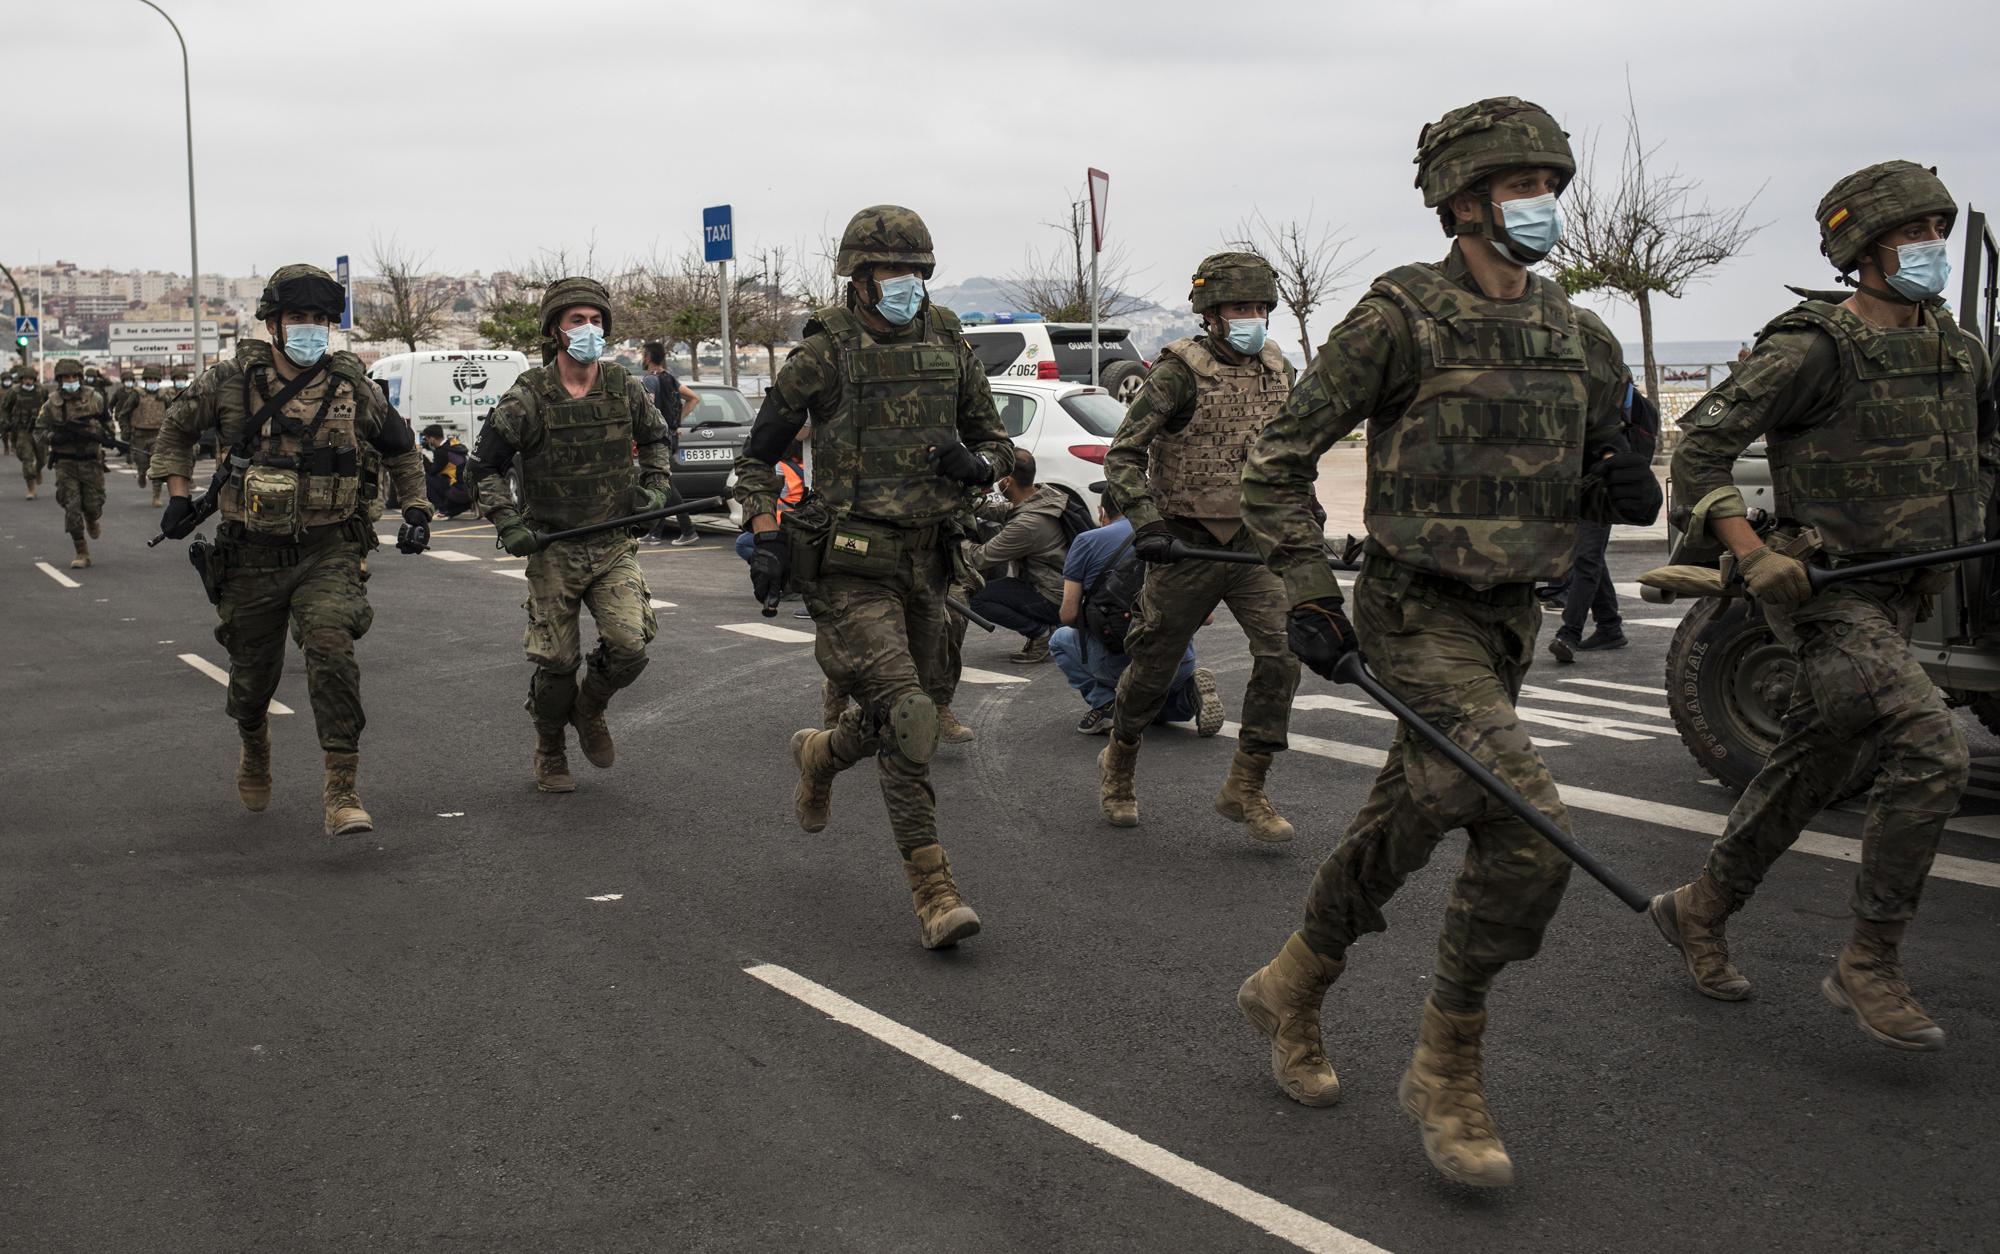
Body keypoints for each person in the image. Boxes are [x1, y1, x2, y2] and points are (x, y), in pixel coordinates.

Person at [1233, 97, 1660, 1189]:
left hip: (1512, 618)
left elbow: (1611, 442)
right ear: (1463, 200)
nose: (1544, 208)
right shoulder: (1396, 319)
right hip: (1413, 612)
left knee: (1411, 815)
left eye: (1551, 189)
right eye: (1523, 189)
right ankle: (1446, 1067)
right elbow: (1276, 462)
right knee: (1525, 824)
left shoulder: (1577, 328)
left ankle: (1292, 981)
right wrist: (1303, 593)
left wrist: (1619, 474)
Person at [1650, 160, 1997, 1052]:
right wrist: (1753, 555)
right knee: (1931, 749)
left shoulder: (1960, 349)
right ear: (1862, 248)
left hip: (1909, 593)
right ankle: (1869, 962)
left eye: (1936, 233)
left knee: (1810, 764)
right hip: (1826, 594)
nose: (1929, 250)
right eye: (1909, 235)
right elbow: (1701, 452)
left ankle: (1700, 908)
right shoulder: (1813, 348)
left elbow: (1985, 441)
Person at [733, 203, 1013, 951]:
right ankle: (935, 892)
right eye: (890, 272)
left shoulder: (949, 338)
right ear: (858, 278)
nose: (905, 284)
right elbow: (756, 457)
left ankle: (822, 753)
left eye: (915, 272)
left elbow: (997, 440)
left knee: (903, 716)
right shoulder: (825, 355)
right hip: (852, 566)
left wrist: (983, 465)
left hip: (931, 557)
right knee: (911, 718)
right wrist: (764, 533)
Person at [151, 263, 435, 835]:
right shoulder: (230, 381)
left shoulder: (352, 386)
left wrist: (417, 511)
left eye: (320, 320)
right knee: (253, 681)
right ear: (274, 325)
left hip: (328, 550)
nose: (310, 329)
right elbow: (176, 429)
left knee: (331, 647)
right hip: (250, 555)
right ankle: (254, 740)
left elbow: (402, 448)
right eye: (298, 318)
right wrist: (179, 494)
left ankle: (342, 791)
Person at [1097, 251, 1299, 843]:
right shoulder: (1177, 374)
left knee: (1285, 656)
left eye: (1261, 307)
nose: (1253, 317)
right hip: (1184, 544)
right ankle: (1120, 761)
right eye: (1240, 307)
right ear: (1211, 314)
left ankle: (1247, 784)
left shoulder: (1275, 366)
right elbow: (1123, 455)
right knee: (1155, 668)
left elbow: (1284, 450)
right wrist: (1146, 524)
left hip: (1254, 544)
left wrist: (1301, 505)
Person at [469, 277, 675, 794]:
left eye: (596, 320)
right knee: (557, 662)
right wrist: (508, 521)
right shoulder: (527, 397)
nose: (589, 329)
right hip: (553, 548)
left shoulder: (624, 386)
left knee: (630, 645)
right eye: (576, 320)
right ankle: (550, 746)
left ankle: (590, 709)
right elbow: (483, 467)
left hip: (611, 545)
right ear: (555, 330)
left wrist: (655, 490)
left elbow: (656, 440)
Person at [1051, 482, 1223, 736]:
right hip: (1177, 660)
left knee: (1059, 639)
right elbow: (1206, 618)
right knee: (1154, 710)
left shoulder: (1086, 541)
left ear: (1101, 511)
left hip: (1118, 663)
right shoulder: (1173, 538)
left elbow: (1069, 615)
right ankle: (1187, 693)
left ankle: (1105, 704)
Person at [1549, 383, 1658, 661]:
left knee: (1585, 558)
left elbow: (1625, 451)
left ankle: (1569, 633)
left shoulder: (1621, 405)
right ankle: (1609, 626)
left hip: (1601, 489)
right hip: (1582, 485)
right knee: (1590, 556)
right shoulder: (1599, 399)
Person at [964, 448, 1068, 663]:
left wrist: (954, 541)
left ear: (1007, 481)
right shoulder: (1046, 495)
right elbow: (1006, 511)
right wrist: (966, 503)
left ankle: (1040, 633)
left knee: (977, 597)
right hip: (1062, 586)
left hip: (1050, 595)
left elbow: (980, 557)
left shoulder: (1028, 525)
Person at [37, 358, 117, 568]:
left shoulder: (95, 398)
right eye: (65, 378)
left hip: (91, 462)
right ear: (59, 380)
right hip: (66, 463)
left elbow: (107, 423)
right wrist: (54, 438)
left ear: (80, 378)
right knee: (72, 508)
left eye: (73, 377)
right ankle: (81, 551)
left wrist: (99, 434)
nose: (70, 380)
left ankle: (92, 519)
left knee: (93, 505)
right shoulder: (51, 403)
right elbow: (38, 431)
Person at [641, 340, 704, 546]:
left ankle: (688, 530)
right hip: (670, 436)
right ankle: (656, 532)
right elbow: (693, 398)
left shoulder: (650, 380)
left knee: (665, 484)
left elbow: (646, 410)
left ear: (648, 357)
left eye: (643, 354)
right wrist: (675, 423)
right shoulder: (669, 378)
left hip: (656, 440)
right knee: (661, 482)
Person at [119, 365, 173, 507]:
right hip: (139, 436)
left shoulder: (164, 396)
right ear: (145, 379)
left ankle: (156, 496)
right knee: (142, 463)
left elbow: (173, 413)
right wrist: (125, 431)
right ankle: (141, 473)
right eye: (149, 379)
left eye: (155, 379)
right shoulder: (136, 395)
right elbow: (124, 414)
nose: (152, 381)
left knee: (157, 466)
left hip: (158, 436)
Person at [2, 365, 48, 499]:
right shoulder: (14, 392)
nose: (28, 381)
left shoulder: (41, 391)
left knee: (42, 458)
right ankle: (31, 489)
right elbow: (5, 408)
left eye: (30, 378)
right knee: (26, 458)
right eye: (25, 378)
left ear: (34, 379)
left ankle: (38, 469)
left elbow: (50, 407)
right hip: (23, 430)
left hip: (39, 430)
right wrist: (5, 422)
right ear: (21, 379)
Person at [420, 423, 475, 518]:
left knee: (425, 478)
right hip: (468, 489)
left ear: (432, 439)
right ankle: (458, 506)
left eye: (427, 438)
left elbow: (432, 471)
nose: (427, 441)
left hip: (457, 491)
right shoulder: (454, 445)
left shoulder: (442, 452)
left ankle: (441, 507)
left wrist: (421, 456)